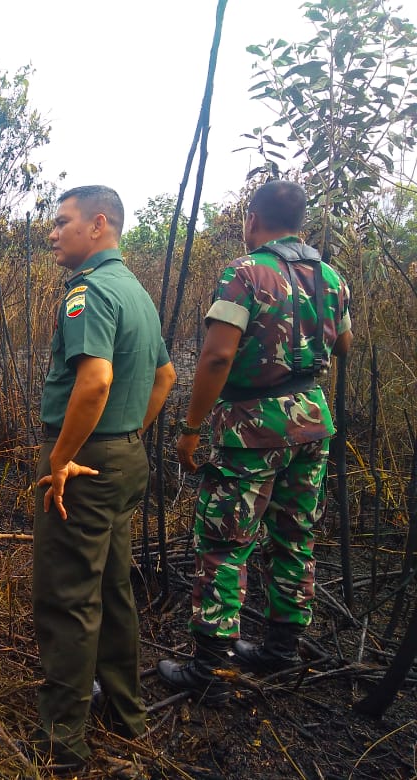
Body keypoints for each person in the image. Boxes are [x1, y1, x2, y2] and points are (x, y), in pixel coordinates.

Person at [157, 180, 352, 703]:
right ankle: (281, 652)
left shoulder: (246, 272)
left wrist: (192, 427)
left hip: (252, 429)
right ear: (301, 221)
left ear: (252, 218)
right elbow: (347, 342)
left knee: (223, 544)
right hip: (312, 421)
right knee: (296, 535)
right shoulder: (331, 276)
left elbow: (218, 356)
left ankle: (208, 672)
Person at [30, 185, 176, 770]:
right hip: (123, 460)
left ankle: (62, 742)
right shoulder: (135, 291)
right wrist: (125, 435)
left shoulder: (88, 293)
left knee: (67, 596)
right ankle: (126, 712)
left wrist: (62, 457)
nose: (52, 233)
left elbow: (94, 382)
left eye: (61, 222)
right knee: (114, 587)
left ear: (98, 225)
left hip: (85, 466)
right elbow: (165, 377)